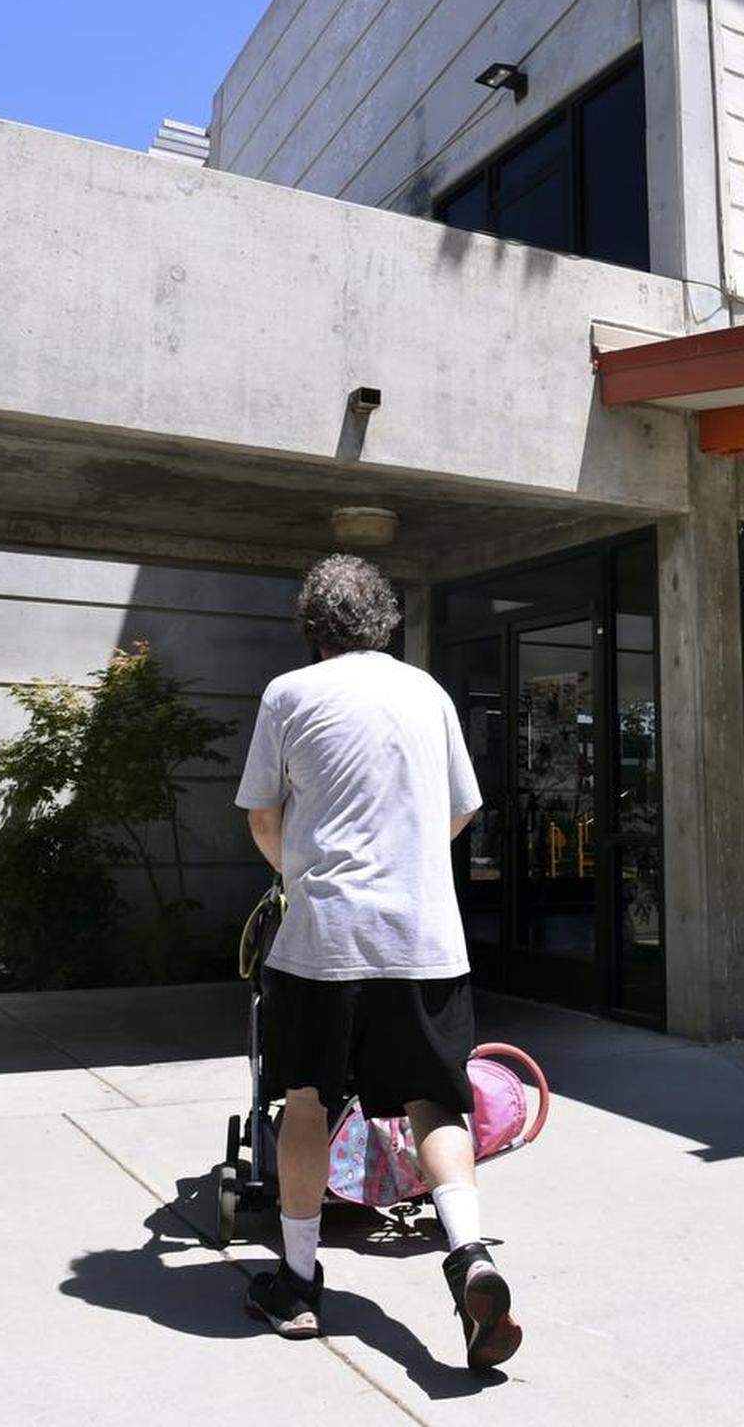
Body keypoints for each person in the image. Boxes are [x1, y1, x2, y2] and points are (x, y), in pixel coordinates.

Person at [234, 553, 520, 1369]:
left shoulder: (290, 694)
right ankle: (471, 1254)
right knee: (435, 1103)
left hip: (325, 937)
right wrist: (407, 862)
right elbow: (464, 808)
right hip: (426, 937)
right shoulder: (427, 693)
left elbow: (261, 815)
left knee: (306, 1102)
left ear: (313, 625)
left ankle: (295, 1282)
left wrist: (298, 870)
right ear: (384, 619)